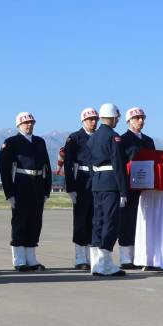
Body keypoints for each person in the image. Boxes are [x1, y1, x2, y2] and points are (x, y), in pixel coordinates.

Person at [0, 112, 51, 272]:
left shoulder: (40, 142)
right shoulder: (11, 142)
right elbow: (4, 169)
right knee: (20, 222)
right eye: (26, 123)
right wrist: (9, 193)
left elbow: (47, 167)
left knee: (35, 222)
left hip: (37, 185)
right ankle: (19, 259)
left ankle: (31, 258)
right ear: (18, 125)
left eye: (31, 123)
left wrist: (46, 190)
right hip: (20, 185)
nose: (29, 125)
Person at [87, 103, 128, 277]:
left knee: (98, 222)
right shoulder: (114, 137)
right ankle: (106, 265)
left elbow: (89, 163)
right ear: (112, 117)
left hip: (97, 183)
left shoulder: (93, 137)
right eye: (117, 117)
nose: (118, 119)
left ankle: (96, 264)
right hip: (111, 184)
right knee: (110, 223)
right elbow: (118, 165)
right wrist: (123, 190)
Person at [117, 107, 155, 269]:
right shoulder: (122, 140)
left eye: (142, 118)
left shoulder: (148, 141)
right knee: (128, 221)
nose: (140, 121)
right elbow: (119, 165)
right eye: (137, 118)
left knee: (146, 221)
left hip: (147, 188)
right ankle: (126, 257)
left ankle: (143, 255)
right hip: (130, 187)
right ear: (129, 121)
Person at [63, 107, 98, 269]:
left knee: (95, 219)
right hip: (82, 181)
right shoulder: (75, 138)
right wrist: (71, 188)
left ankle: (93, 257)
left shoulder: (99, 137)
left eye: (95, 119)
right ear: (83, 121)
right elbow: (68, 164)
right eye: (90, 119)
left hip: (97, 180)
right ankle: (80, 258)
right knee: (81, 220)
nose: (93, 122)